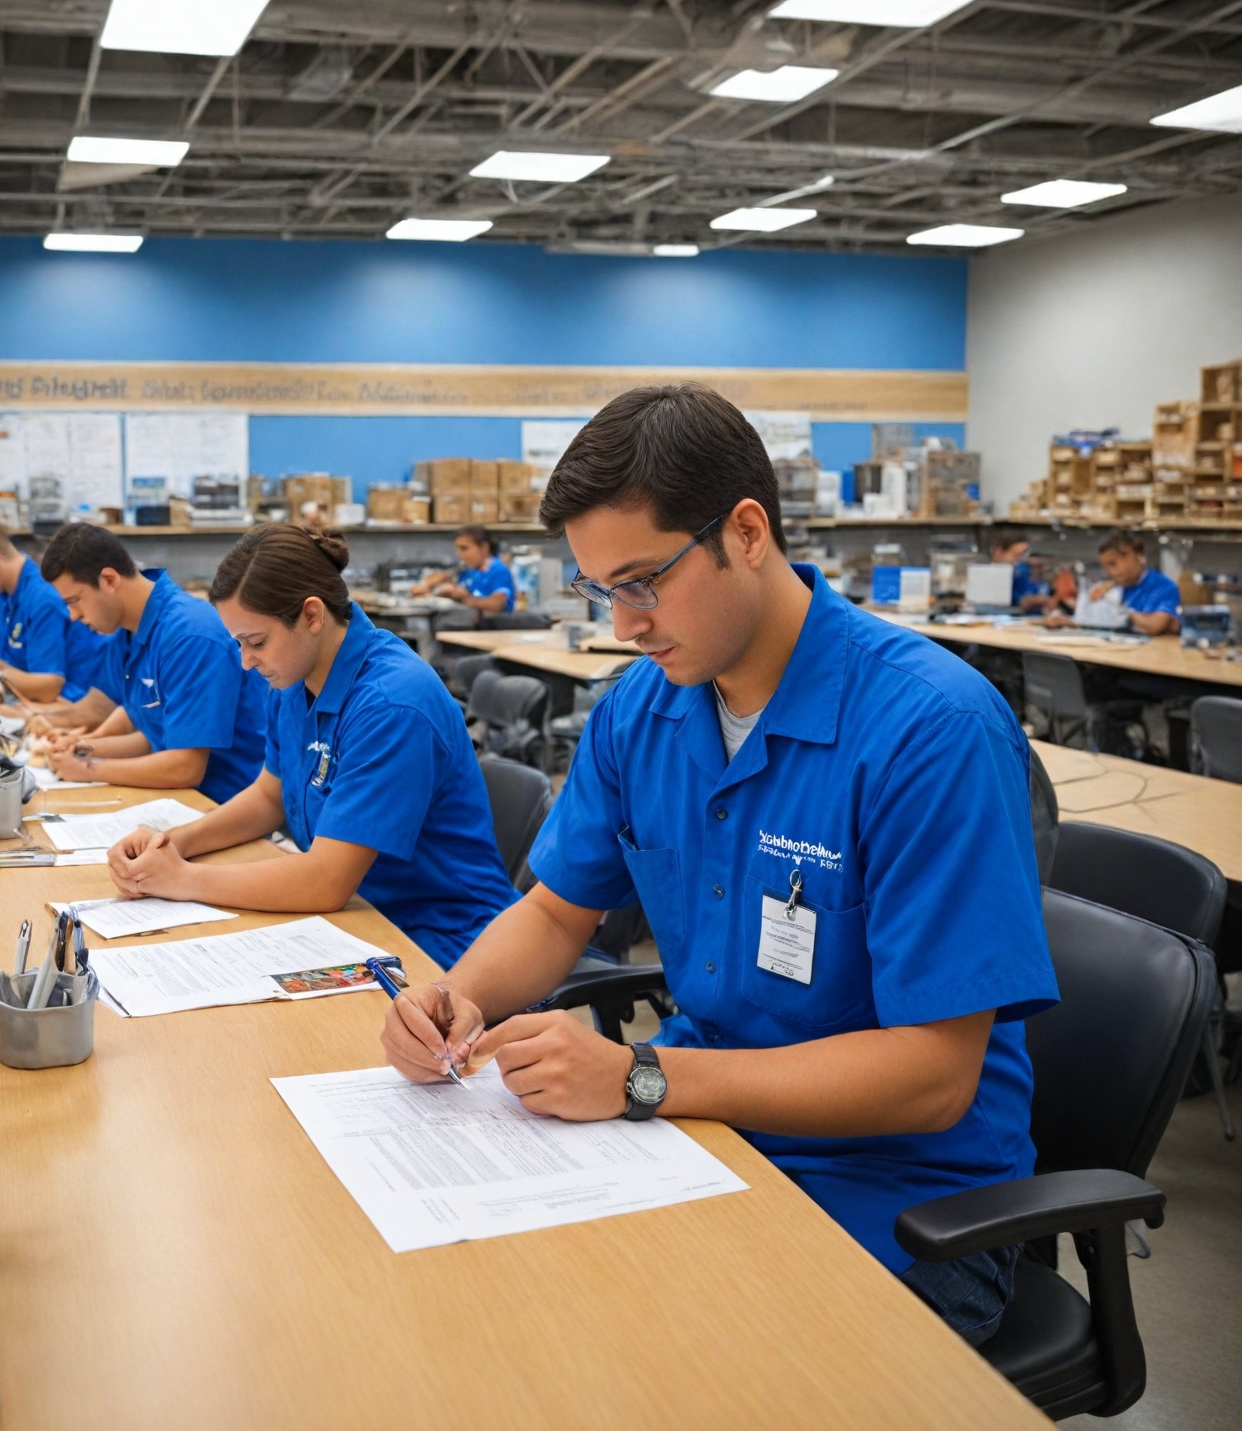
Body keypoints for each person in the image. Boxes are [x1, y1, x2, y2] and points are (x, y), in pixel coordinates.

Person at [380, 383, 1059, 1346]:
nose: (624, 622)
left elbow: (931, 1077)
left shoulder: (928, 732)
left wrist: (642, 1079)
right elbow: (558, 911)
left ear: (746, 531)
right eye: (600, 590)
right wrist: (457, 1000)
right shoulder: (641, 708)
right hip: (707, 1133)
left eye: (643, 582)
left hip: (897, 1201)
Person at [106, 524, 519, 970]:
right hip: (360, 917)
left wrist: (185, 879)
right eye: (239, 644)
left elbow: (325, 881)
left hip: (441, 937)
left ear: (312, 616)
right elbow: (268, 797)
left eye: (257, 642)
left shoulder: (391, 704)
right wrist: (171, 845)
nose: (246, 661)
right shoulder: (292, 679)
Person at [37, 523, 266, 801]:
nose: (73, 615)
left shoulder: (190, 635)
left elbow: (185, 767)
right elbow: (148, 729)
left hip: (223, 801)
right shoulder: (125, 631)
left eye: (74, 601)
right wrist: (85, 747)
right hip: (176, 795)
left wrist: (88, 768)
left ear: (109, 580)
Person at [0, 515, 110, 705]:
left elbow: (48, 687)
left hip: (72, 704)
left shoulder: (42, 599)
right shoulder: (2, 597)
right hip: (30, 702)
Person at [1041, 530, 1180, 636]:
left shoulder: (1163, 587)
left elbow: (1155, 626)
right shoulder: (1112, 589)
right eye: (1106, 566)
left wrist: (1124, 612)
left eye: (1114, 564)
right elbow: (1103, 623)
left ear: (1138, 555)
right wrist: (1069, 622)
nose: (1111, 573)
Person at [410, 525, 515, 613]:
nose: (459, 554)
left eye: (464, 548)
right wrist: (426, 585)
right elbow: (444, 576)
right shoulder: (469, 570)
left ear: (484, 547)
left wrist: (464, 598)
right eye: (458, 549)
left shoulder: (498, 570)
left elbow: (497, 605)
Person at [987, 529, 1047, 609]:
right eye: (1015, 555)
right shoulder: (981, 576)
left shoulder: (1020, 572)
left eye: (1021, 556)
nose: (1017, 561)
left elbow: (1023, 596)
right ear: (999, 552)